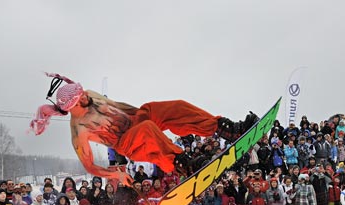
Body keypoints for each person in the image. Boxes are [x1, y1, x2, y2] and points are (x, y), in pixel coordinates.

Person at [32, 73, 257, 184]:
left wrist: (141, 111)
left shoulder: (89, 94)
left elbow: (118, 105)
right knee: (148, 129)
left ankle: (225, 128)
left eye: (82, 94)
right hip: (128, 142)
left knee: (172, 107)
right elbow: (90, 166)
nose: (84, 99)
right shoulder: (78, 130)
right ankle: (184, 164)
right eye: (79, 101)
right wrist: (116, 174)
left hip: (136, 119)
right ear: (71, 108)